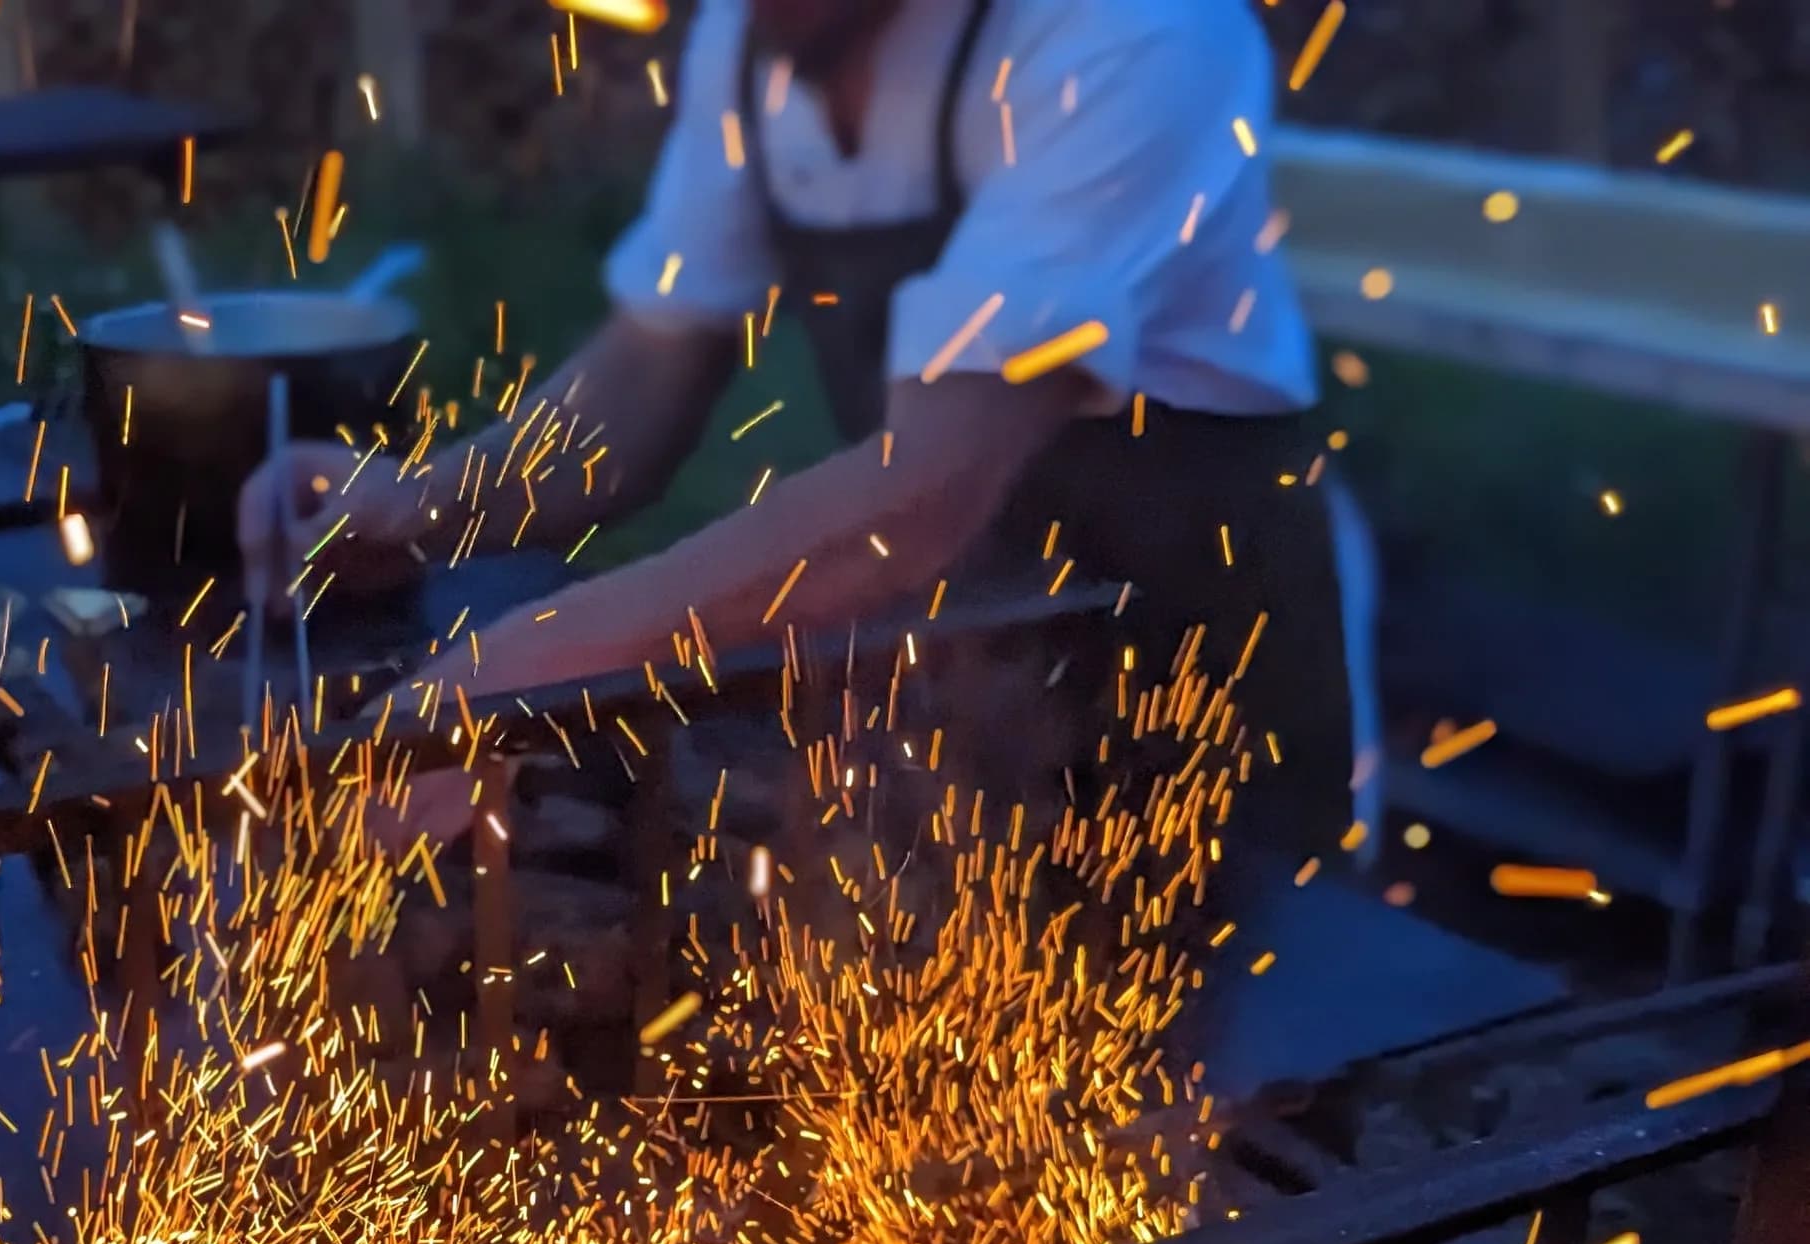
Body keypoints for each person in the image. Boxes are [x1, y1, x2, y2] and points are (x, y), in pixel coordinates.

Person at [240, 0, 1352, 862]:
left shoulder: (1130, 33)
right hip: (961, 712)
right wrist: (425, 506)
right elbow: (644, 373)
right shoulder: (755, 36)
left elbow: (925, 490)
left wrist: (508, 674)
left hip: (1195, 722)